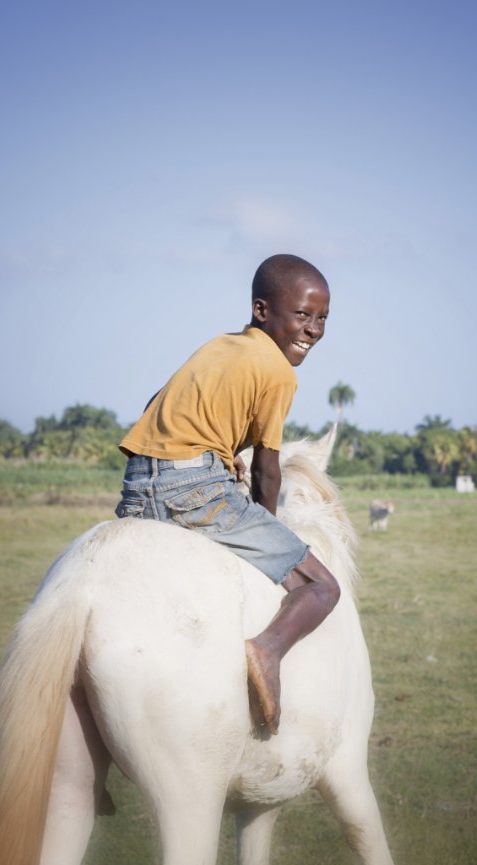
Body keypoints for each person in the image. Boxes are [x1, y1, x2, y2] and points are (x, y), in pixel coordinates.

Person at [116, 253, 341, 734]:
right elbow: (267, 472)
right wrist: (271, 532)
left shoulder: (216, 347)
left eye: (323, 318)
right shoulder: (279, 372)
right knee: (324, 587)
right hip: (194, 489)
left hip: (137, 484)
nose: (314, 329)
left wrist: (220, 452)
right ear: (262, 310)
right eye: (303, 314)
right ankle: (267, 651)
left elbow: (156, 407)